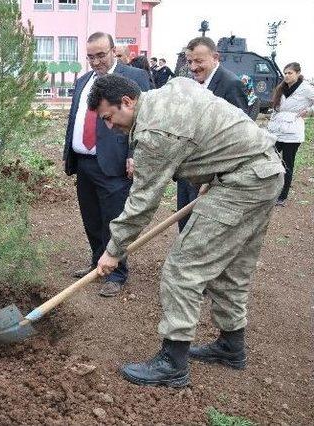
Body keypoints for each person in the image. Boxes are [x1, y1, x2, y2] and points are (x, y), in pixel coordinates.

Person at [91, 74, 284, 387]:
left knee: (183, 268)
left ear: (127, 102)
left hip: (243, 181)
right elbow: (200, 111)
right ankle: (231, 346)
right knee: (231, 268)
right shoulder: (171, 89)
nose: (110, 126)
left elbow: (141, 203)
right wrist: (215, 166)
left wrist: (113, 251)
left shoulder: (154, 133)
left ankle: (172, 362)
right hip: (264, 170)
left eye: (109, 117)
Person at [63, 32, 151, 297]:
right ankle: (96, 264)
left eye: (101, 55)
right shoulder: (82, 81)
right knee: (91, 219)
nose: (95, 61)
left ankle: (118, 272)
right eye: (90, 56)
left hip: (114, 163)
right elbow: (75, 118)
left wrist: (134, 153)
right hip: (85, 162)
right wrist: (69, 151)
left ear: (114, 51)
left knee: (114, 219)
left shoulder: (134, 78)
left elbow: (144, 119)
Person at [177, 36, 249, 231]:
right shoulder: (190, 85)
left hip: (212, 176)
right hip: (188, 170)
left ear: (215, 57)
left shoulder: (231, 84)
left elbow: (239, 136)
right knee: (184, 225)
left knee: (203, 230)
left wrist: (216, 177)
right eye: (190, 61)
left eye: (199, 61)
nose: (193, 67)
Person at [267, 62, 314, 207]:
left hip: (293, 131)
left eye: (290, 73)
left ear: (298, 73)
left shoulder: (306, 88)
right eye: (285, 73)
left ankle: (282, 195)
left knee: (287, 164)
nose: (287, 76)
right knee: (269, 158)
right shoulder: (282, 88)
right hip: (276, 130)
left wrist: (309, 110)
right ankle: (269, 190)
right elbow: (276, 108)